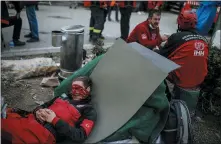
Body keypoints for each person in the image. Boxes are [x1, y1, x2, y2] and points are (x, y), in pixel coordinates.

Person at [1, 76, 96, 144]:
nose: (75, 92)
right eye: (73, 88)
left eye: (79, 88)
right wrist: (38, 111)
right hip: (30, 120)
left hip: (43, 134)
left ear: (88, 89)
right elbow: (44, 105)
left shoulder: (88, 110)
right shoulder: (63, 97)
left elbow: (80, 136)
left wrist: (54, 120)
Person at [157, 10, 209, 115]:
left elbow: (161, 56)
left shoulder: (176, 37)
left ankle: (159, 99)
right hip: (198, 80)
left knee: (156, 60)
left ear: (180, 21)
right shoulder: (203, 40)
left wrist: (156, 49)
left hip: (181, 79)